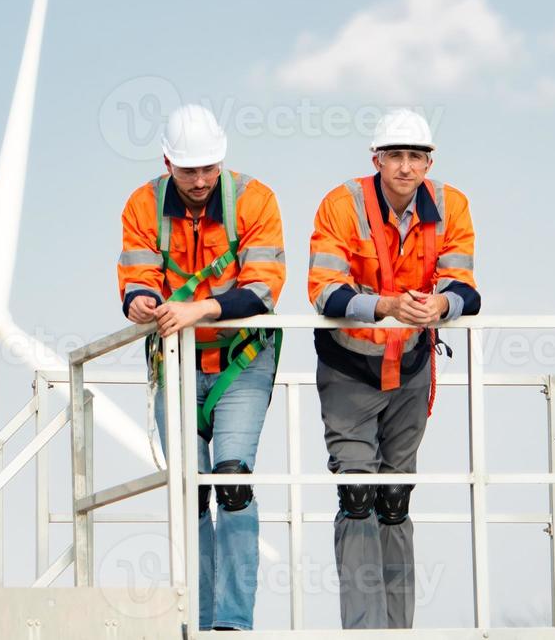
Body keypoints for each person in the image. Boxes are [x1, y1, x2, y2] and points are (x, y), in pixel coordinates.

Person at [307, 108, 480, 629]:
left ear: (429, 162)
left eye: (415, 157)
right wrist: (386, 306)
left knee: (395, 496)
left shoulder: (453, 205)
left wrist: (440, 308)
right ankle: (365, 629)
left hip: (410, 367)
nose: (405, 167)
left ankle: (398, 629)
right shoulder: (342, 204)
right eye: (395, 156)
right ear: (375, 159)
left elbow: (464, 286)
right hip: (349, 367)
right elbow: (323, 291)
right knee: (357, 492)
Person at [117, 104, 286, 632]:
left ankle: (231, 624)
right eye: (188, 170)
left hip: (241, 361)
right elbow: (136, 275)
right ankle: (197, 620)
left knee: (232, 478)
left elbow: (262, 287)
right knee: (191, 489)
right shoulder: (143, 205)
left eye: (209, 168)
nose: (200, 180)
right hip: (177, 363)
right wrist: (142, 302)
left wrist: (198, 309)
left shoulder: (255, 199)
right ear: (168, 163)